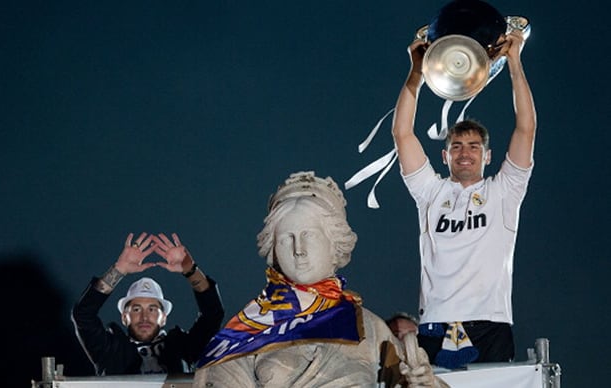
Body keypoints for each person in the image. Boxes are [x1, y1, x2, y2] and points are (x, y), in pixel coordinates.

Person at [192, 171, 443, 387]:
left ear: (335, 245)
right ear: (274, 251)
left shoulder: (369, 327)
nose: (298, 249)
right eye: (286, 239)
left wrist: (425, 383)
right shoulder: (247, 330)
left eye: (309, 235)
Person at [390, 24, 537, 370]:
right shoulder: (431, 192)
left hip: (491, 323)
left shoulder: (504, 190)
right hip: (434, 324)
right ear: (445, 156)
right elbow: (402, 133)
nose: (465, 153)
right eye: (456, 146)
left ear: (488, 156)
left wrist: (514, 61)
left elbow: (526, 128)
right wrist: (416, 73)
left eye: (474, 147)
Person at [71, 231, 225, 375]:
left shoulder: (182, 347)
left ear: (164, 317)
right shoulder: (110, 349)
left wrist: (190, 270)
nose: (145, 317)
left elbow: (212, 315)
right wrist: (119, 270)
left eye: (152, 309)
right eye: (136, 309)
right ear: (124, 317)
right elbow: (83, 314)